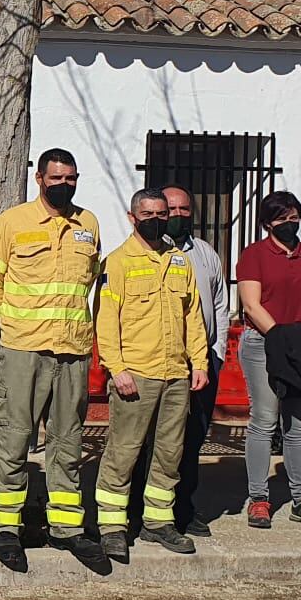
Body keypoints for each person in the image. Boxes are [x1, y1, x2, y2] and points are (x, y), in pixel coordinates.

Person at [0, 147, 106, 574]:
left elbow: (89, 282)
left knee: (67, 443)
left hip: (72, 350)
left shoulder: (88, 224)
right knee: (15, 440)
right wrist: (9, 326)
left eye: (71, 178)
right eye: (56, 178)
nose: (64, 185)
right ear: (39, 178)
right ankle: (8, 530)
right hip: (23, 350)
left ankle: (66, 529)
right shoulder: (11, 223)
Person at [92, 189, 208, 561]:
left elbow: (193, 317)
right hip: (136, 375)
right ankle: (112, 526)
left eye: (161, 213)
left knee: (169, 453)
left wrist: (200, 362)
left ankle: (159, 523)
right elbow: (105, 321)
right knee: (123, 452)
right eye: (148, 213)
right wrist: (117, 368)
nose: (157, 219)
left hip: (175, 374)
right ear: (132, 217)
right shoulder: (118, 262)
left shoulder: (179, 262)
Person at [235, 190, 301, 529]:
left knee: (296, 425)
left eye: (294, 218)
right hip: (265, 344)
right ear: (267, 223)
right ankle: (258, 498)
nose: (289, 224)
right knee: (264, 420)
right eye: (282, 218)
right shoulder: (254, 255)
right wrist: (281, 337)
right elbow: (251, 304)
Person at [162, 183, 232, 536]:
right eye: (170, 209)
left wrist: (215, 354)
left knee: (191, 440)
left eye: (184, 209)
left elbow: (220, 305)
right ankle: (146, 510)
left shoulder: (205, 253)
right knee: (155, 441)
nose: (177, 216)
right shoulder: (145, 252)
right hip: (157, 365)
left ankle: (184, 510)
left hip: (201, 365)